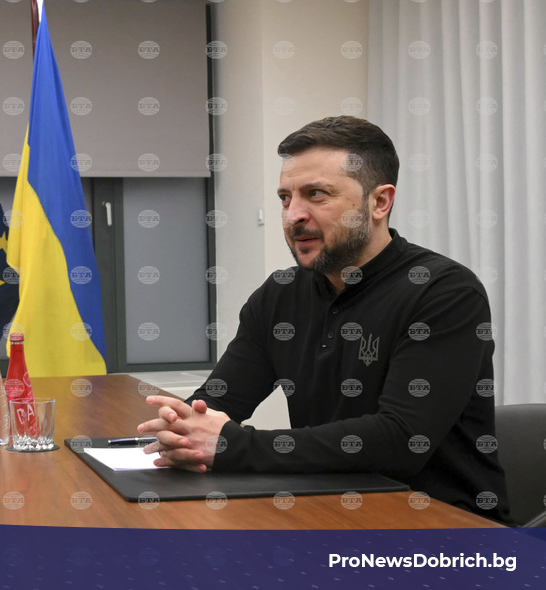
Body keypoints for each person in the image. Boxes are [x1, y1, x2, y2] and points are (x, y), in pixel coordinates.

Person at [137, 116, 509, 522]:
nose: (292, 215)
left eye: (316, 194)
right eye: (285, 198)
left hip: (443, 527)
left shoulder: (444, 292)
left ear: (380, 202)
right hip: (326, 508)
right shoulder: (279, 295)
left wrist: (231, 445)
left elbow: (402, 441)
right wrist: (180, 429)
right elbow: (216, 403)